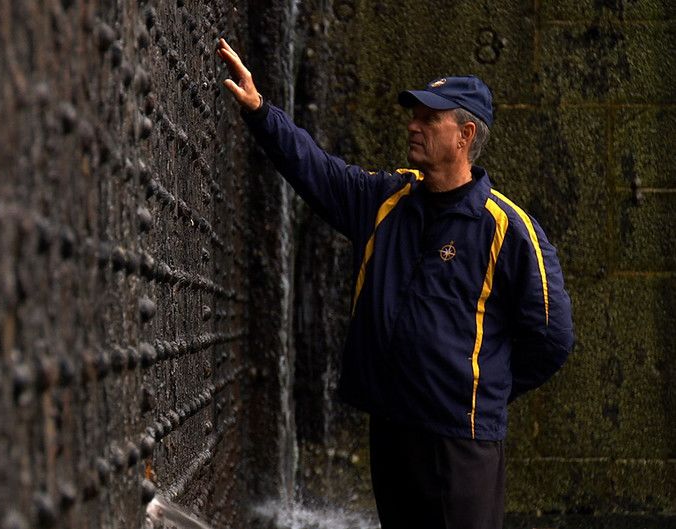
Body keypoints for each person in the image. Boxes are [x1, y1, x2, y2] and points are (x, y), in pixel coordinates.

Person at [217, 38, 575, 529]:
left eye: (430, 118)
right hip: (391, 428)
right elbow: (319, 173)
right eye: (414, 114)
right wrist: (261, 112)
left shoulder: (509, 230)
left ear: (464, 135)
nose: (413, 124)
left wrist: (479, 387)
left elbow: (553, 338)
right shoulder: (388, 199)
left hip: (459, 441)